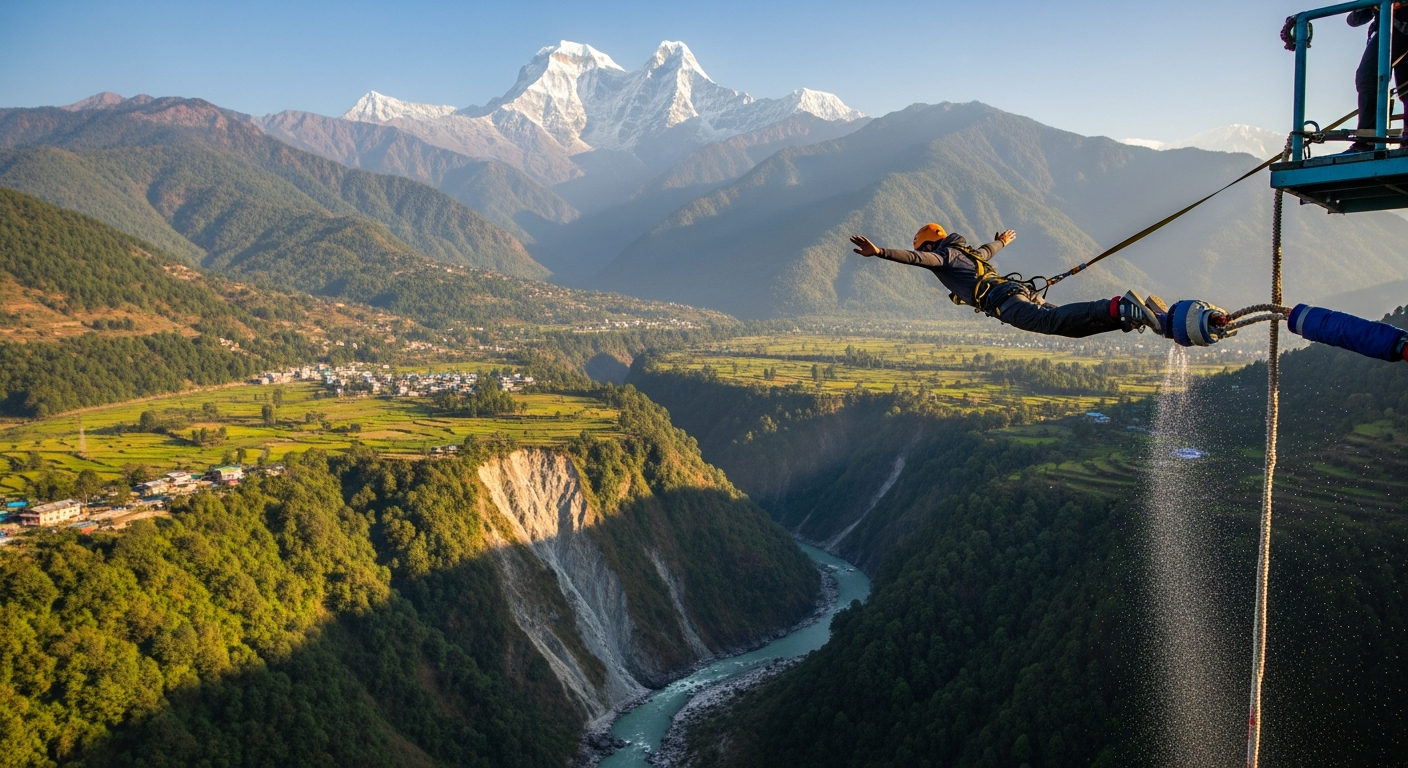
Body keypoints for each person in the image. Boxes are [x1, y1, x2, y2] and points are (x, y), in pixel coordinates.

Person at [849, 224, 1168, 338]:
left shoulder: (944, 257)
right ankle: (1126, 314)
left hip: (1004, 300)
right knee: (1065, 325)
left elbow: (917, 260)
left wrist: (879, 251)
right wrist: (1002, 241)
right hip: (1016, 291)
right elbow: (988, 250)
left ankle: (1121, 307)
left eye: (924, 248)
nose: (924, 253)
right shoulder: (968, 254)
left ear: (931, 245)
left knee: (1054, 322)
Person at [1346, 4, 1408, 152]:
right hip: (1394, 26)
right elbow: (1354, 19)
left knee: (1369, 77)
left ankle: (1369, 140)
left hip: (1397, 27)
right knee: (1405, 87)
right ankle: (1371, 138)